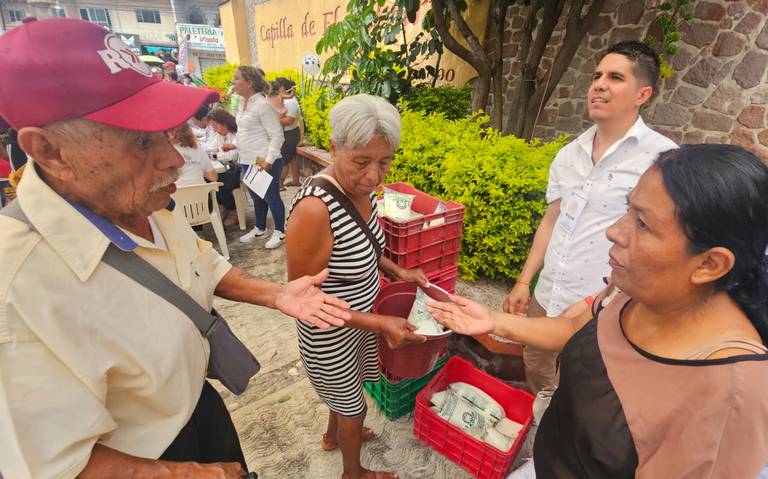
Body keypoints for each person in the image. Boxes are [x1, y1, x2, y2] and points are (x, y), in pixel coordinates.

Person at [0, 18, 352, 479]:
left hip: (201, 409)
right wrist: (198, 474)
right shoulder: (16, 288)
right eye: (140, 142)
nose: (171, 158)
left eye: (166, 133)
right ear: (48, 151)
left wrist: (275, 294)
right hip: (147, 459)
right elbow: (58, 466)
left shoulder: (137, 202)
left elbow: (206, 263)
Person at [428, 144, 768, 479]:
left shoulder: (732, 396)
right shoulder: (635, 290)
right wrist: (493, 321)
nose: (614, 231)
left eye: (644, 225)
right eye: (628, 210)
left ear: (709, 264)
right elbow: (576, 325)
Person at [503, 41, 677, 397]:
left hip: (604, 309)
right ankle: (539, 435)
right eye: (596, 76)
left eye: (615, 77)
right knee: (536, 371)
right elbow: (551, 221)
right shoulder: (569, 154)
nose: (598, 84)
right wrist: (525, 282)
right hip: (548, 298)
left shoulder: (663, 161)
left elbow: (665, 242)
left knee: (586, 394)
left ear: (643, 93)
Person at [286, 94, 428, 479]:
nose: (374, 175)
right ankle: (354, 474)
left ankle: (334, 436)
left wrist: (399, 271)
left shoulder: (364, 192)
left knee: (349, 396)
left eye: (384, 161)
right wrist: (381, 324)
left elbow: (365, 245)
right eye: (361, 161)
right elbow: (302, 297)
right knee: (355, 407)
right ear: (334, 148)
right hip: (329, 334)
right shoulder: (315, 209)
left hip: (360, 324)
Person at [228, 66, 286, 249]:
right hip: (246, 159)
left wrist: (268, 161)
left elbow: (277, 135)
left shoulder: (263, 105)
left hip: (263, 160)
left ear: (249, 83)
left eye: (237, 79)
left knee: (270, 196)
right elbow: (246, 131)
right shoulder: (241, 102)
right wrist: (235, 145)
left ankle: (280, 231)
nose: (233, 82)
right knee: (256, 196)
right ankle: (260, 228)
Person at [206, 108, 240, 226]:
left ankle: (232, 210)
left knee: (220, 182)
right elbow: (210, 147)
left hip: (237, 168)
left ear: (224, 123)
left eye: (216, 126)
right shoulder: (219, 135)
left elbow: (233, 155)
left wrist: (215, 155)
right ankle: (225, 206)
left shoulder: (237, 134)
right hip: (226, 167)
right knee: (209, 180)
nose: (215, 130)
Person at [169, 122, 218, 187]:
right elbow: (213, 177)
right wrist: (196, 169)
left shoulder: (167, 151)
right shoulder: (198, 149)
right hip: (200, 194)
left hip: (177, 193)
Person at [276, 77, 303, 190]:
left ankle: (280, 184)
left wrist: (273, 120)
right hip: (289, 133)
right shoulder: (286, 99)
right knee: (291, 158)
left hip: (289, 134)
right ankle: (295, 181)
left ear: (282, 87)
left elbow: (289, 120)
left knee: (284, 161)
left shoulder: (289, 102)